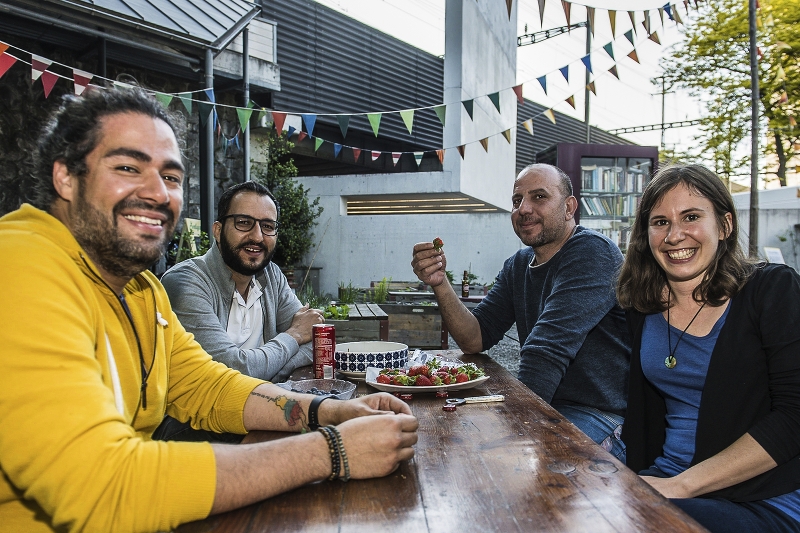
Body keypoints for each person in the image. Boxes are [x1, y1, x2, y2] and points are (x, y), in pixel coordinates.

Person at [0, 86, 418, 533]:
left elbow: (210, 387)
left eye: (171, 177)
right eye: (127, 167)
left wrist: (329, 412)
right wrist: (331, 450)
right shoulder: (19, 267)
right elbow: (103, 486)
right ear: (65, 177)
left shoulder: (141, 289)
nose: (157, 193)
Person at [617, 164, 800, 533]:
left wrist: (679, 487)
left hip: (762, 496)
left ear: (725, 225)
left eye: (691, 216)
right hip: (665, 478)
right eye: (660, 222)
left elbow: (795, 417)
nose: (674, 235)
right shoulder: (641, 307)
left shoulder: (771, 290)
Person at [411, 163, 630, 459]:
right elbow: (475, 337)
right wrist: (440, 283)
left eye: (539, 197)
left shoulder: (593, 252)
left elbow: (546, 350)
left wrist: (513, 427)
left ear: (569, 208)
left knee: (501, 462)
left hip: (599, 415)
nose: (523, 209)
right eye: (517, 201)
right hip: (547, 405)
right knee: (445, 440)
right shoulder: (518, 264)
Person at [161, 181, 318, 384]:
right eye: (243, 222)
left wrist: (262, 374)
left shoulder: (271, 276)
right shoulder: (185, 283)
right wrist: (294, 335)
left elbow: (316, 342)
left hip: (263, 408)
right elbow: (232, 370)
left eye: (267, 226)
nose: (257, 236)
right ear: (218, 231)